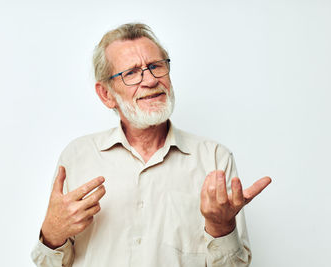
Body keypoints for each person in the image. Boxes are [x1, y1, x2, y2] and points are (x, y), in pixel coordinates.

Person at [31, 23, 271, 267]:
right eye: (132, 73)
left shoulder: (215, 158)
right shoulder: (78, 156)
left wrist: (222, 228)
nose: (150, 80)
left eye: (156, 66)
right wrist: (51, 235)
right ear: (106, 95)